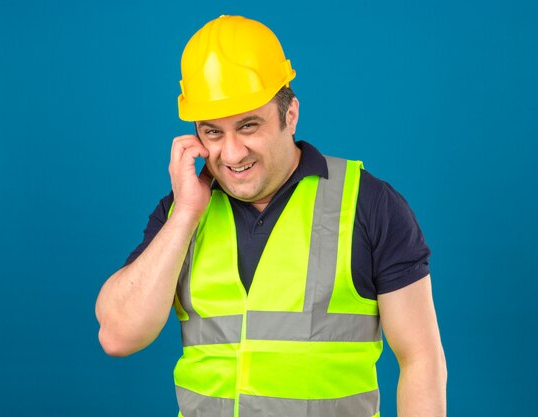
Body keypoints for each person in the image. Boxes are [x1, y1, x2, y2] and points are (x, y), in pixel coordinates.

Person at [95, 15, 446, 417]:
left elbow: (421, 358)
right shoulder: (181, 211)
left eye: (248, 126)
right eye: (212, 133)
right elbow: (118, 335)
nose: (231, 153)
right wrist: (185, 214)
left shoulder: (369, 204)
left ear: (290, 114)